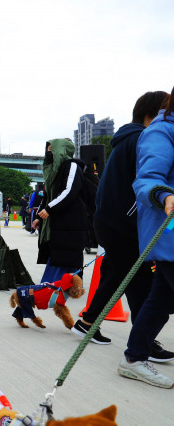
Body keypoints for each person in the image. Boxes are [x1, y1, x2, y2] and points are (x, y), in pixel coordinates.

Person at [74, 91, 174, 359]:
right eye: (165, 108)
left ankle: (87, 322)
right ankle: (144, 344)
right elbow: (147, 180)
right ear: (151, 113)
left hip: (111, 221)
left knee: (116, 275)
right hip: (125, 223)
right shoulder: (146, 138)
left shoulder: (126, 139)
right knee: (142, 282)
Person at [118, 87, 174, 388]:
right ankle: (134, 357)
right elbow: (147, 179)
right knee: (160, 298)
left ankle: (134, 357)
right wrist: (164, 195)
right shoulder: (160, 132)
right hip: (169, 229)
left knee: (161, 298)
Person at [32, 139, 87, 284]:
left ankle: (59, 285)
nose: (49, 152)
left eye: (52, 149)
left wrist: (49, 209)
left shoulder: (72, 166)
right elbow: (48, 196)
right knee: (60, 254)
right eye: (48, 149)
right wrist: (39, 217)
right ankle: (59, 285)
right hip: (59, 221)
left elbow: (69, 191)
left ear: (61, 150)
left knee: (67, 256)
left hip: (71, 220)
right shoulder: (54, 170)